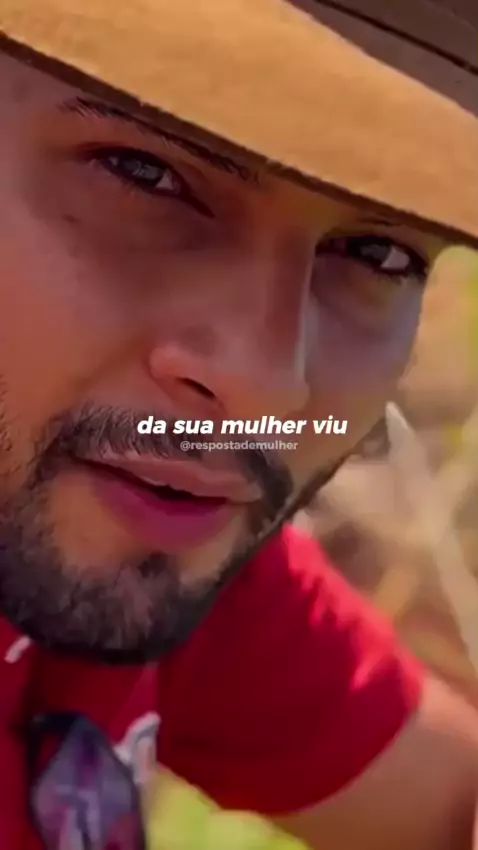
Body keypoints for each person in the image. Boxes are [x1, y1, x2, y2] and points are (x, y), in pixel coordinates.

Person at [0, 0, 477, 847]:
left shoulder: (145, 519)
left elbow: (447, 802)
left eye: (378, 254)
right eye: (142, 173)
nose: (268, 389)